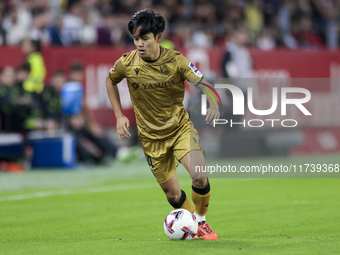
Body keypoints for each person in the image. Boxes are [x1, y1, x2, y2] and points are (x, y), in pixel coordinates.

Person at [106, 9, 220, 240]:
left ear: (158, 37)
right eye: (136, 39)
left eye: (144, 38)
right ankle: (191, 225)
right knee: (172, 194)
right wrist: (119, 115)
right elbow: (110, 81)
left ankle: (200, 223)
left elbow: (205, 84)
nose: (139, 44)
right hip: (150, 138)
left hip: (180, 129)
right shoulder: (126, 63)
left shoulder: (176, 61)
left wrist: (213, 104)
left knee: (198, 175)